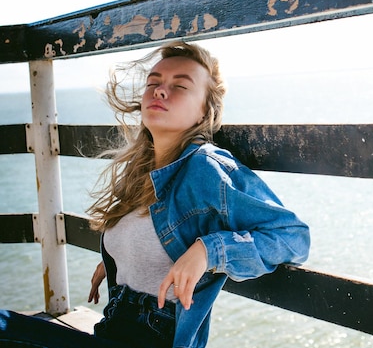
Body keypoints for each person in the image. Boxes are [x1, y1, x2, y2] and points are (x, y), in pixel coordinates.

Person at [0, 40, 310, 348]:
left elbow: (292, 237)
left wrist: (208, 251)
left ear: (204, 112)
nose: (160, 91)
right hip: (112, 329)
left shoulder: (207, 167)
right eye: (154, 82)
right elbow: (153, 240)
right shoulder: (142, 171)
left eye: (180, 85)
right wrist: (121, 259)